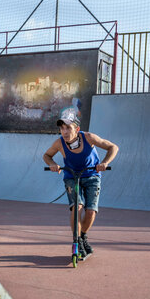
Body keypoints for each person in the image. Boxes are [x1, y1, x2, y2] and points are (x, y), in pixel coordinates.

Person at [43, 106, 119, 257]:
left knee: (90, 211)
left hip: (91, 175)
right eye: (62, 128)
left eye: (68, 128)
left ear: (76, 129)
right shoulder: (59, 143)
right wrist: (52, 164)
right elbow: (47, 155)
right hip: (71, 177)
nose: (64, 132)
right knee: (77, 207)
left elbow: (113, 147)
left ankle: (83, 235)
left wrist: (104, 163)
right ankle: (76, 240)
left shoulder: (89, 137)